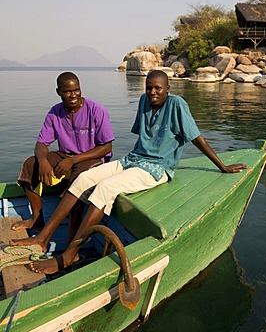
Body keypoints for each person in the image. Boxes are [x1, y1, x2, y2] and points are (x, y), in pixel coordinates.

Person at [11, 70, 247, 274]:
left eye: (158, 88)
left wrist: (222, 166)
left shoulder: (177, 104)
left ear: (167, 88)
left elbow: (196, 138)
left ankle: (70, 253)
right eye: (149, 88)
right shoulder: (144, 101)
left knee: (106, 187)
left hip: (157, 168)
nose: (152, 92)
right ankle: (43, 238)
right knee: (84, 178)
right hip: (133, 159)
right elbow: (141, 139)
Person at [12, 71, 114, 239]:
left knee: (80, 178)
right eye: (67, 91)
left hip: (93, 159)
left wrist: (72, 160)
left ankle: (71, 238)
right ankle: (37, 219)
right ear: (58, 92)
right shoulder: (55, 112)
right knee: (31, 164)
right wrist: (43, 160)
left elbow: (106, 146)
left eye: (76, 90)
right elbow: (41, 144)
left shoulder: (96, 110)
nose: (73, 95)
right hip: (66, 155)